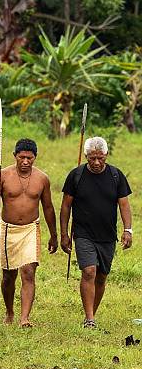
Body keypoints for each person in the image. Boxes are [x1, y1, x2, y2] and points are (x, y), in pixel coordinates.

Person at [60, 136, 132, 329]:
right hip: (83, 233)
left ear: (106, 155)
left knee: (101, 276)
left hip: (107, 235)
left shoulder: (116, 176)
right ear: (86, 156)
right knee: (89, 271)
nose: (97, 162)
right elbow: (66, 206)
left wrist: (128, 230)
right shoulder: (76, 175)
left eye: (101, 158)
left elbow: (124, 204)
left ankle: (93, 312)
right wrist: (64, 234)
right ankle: (89, 318)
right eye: (92, 158)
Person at [0, 138, 57, 327]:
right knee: (8, 276)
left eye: (30, 158)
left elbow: (48, 207)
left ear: (35, 157)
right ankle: (10, 311)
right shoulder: (2, 176)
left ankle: (24, 318)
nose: (26, 162)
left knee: (28, 273)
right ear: (15, 156)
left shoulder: (42, 178)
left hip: (30, 228)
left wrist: (54, 234)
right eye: (22, 157)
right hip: (8, 229)